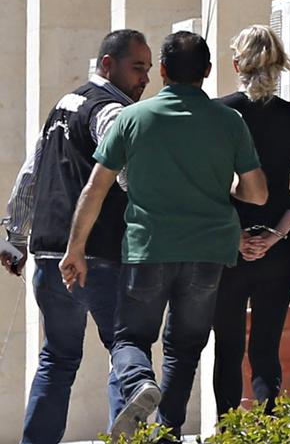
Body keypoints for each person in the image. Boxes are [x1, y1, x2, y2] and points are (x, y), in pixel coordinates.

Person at [59, 31, 267, 441]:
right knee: (185, 347)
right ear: (207, 72)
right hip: (209, 252)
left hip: (149, 248)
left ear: (164, 72)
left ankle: (137, 381)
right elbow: (257, 193)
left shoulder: (134, 118)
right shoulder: (230, 122)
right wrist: (225, 190)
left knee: (131, 337)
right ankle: (167, 431)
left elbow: (96, 188)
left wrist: (75, 247)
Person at [0, 29, 151, 444]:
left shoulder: (63, 107)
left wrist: (13, 237)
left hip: (48, 252)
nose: (145, 79)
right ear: (108, 64)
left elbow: (31, 172)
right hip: (97, 254)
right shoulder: (112, 111)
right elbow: (126, 171)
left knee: (57, 358)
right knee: (126, 350)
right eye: (137, 68)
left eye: (149, 70)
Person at [212, 25, 290, 416]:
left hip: (227, 245)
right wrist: (276, 235)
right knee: (265, 346)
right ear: (279, 65)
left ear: (236, 63)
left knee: (227, 345)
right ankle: (269, 424)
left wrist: (234, 235)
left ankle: (227, 430)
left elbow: (206, 183)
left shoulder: (219, 113)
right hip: (279, 245)